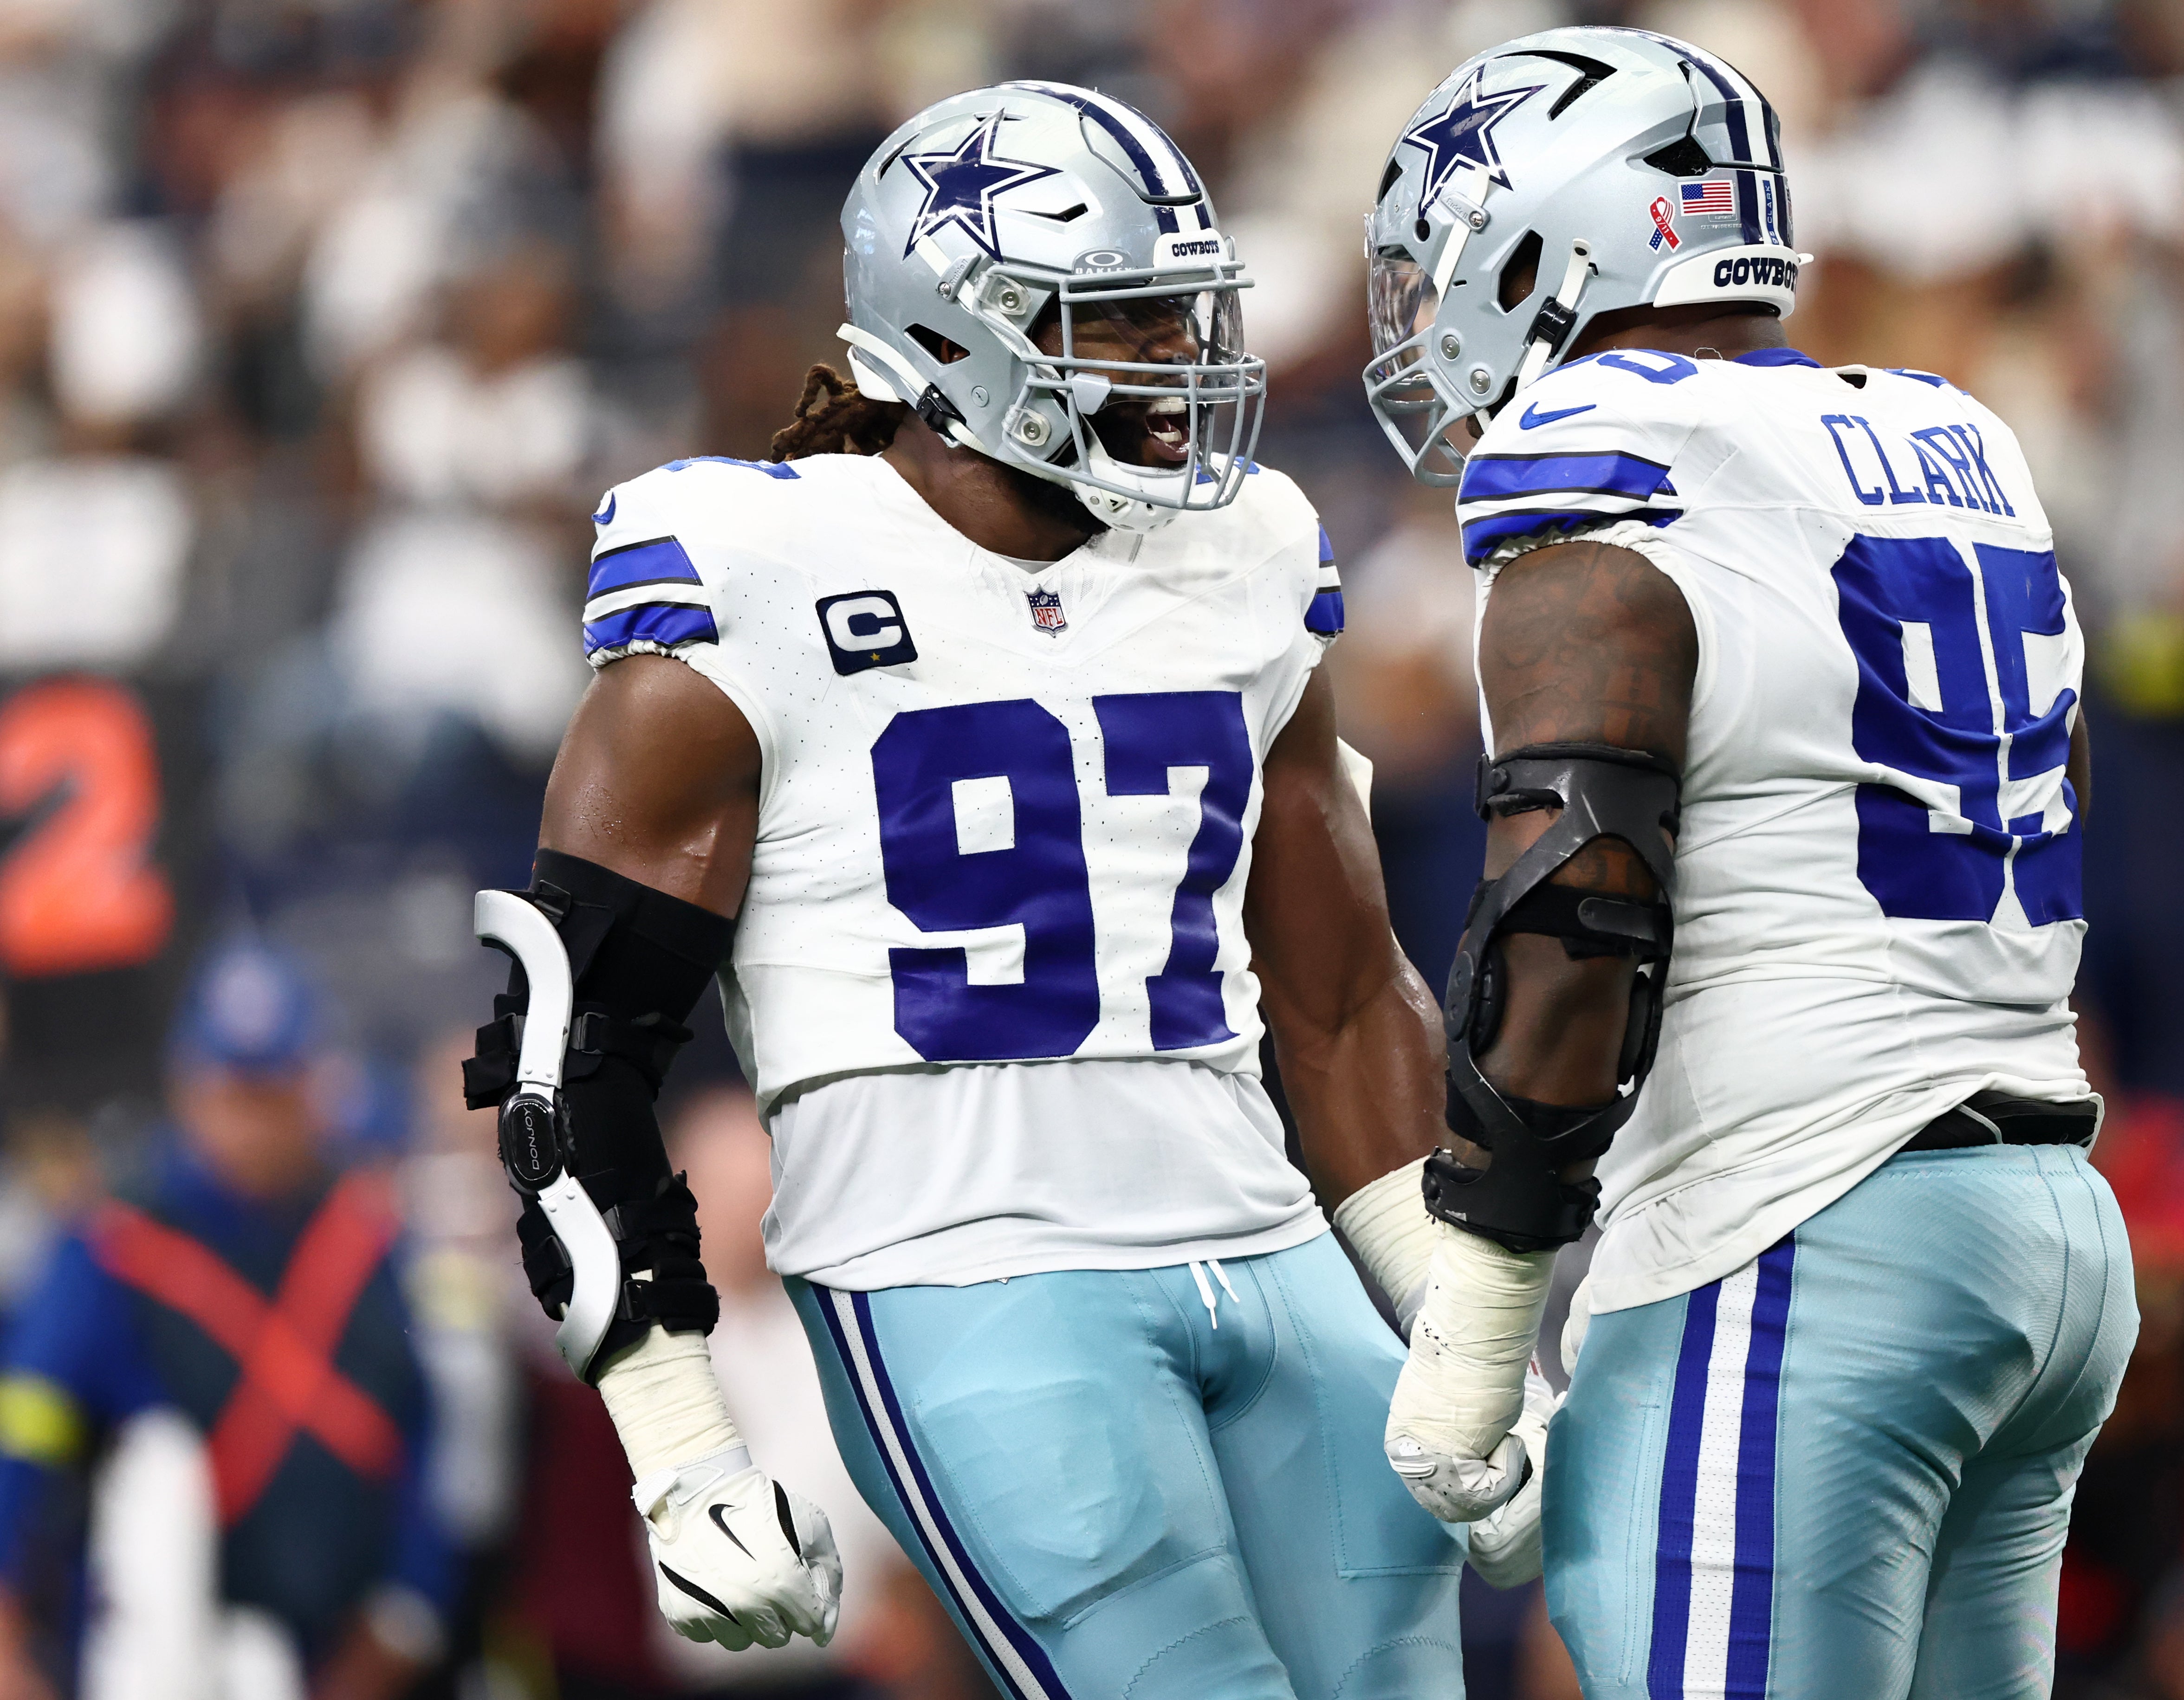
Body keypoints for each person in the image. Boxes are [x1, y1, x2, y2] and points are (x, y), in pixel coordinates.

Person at [461, 78, 1524, 1698]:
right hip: (968, 1272)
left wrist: (1458, 1330)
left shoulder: (1240, 553)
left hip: (1266, 1242)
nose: (1178, 360)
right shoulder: (752, 573)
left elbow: (1341, 997)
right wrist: (678, 1445)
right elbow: (568, 1052)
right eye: (1122, 322)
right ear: (956, 334)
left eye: (1183, 314)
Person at [1358, 27, 2139, 1699]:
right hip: (2048, 1223)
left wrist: (1482, 1308)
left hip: (1802, 1235)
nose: (1427, 319)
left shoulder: (1604, 450)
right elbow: (2060, 781)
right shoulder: (1951, 436)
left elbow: (1575, 911)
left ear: (1547, 246)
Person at [0, 940, 454, 1700]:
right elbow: (26, 1423)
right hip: (155, 1648)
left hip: (337, 1649)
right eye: (232, 1094)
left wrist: (408, 1616)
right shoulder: (118, 1243)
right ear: (188, 1087)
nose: (253, 1124)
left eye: (273, 1092)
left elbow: (428, 1438)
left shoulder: (369, 1237)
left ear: (313, 1088)